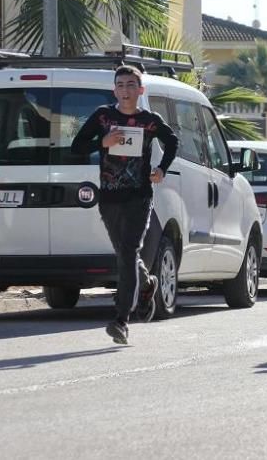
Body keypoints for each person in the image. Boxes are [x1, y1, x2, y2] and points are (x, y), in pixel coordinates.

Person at [71, 65, 179, 344]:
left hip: (139, 196)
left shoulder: (150, 121)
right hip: (109, 197)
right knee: (124, 254)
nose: (126, 90)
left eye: (131, 85)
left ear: (140, 90)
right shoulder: (104, 116)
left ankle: (121, 319)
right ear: (114, 90)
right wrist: (101, 141)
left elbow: (173, 141)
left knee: (129, 251)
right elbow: (77, 146)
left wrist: (162, 169)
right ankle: (146, 285)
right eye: (120, 85)